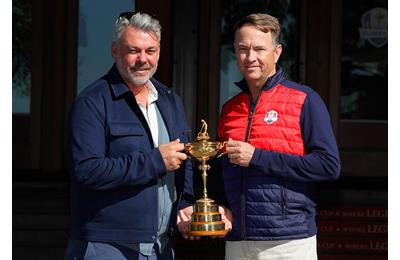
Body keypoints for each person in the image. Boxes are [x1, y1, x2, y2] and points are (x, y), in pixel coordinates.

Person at [65, 11, 196, 260]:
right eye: (133, 50)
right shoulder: (92, 102)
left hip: (161, 247)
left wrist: (186, 204)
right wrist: (156, 161)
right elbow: (86, 171)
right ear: (115, 50)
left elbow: (185, 160)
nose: (142, 59)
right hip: (106, 246)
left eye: (150, 51)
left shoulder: (170, 100)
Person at [215, 13, 341, 259]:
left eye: (260, 49)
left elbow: (329, 166)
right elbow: (220, 170)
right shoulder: (229, 108)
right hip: (237, 241)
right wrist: (221, 206)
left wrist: (257, 157)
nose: (250, 57)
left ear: (277, 52)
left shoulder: (305, 99)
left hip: (287, 242)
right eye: (243, 49)